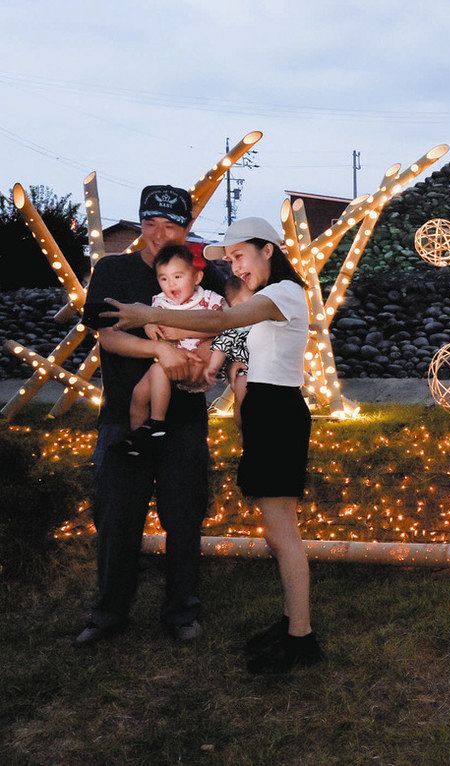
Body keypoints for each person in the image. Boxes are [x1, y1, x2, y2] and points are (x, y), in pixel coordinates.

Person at [104, 216, 323, 674]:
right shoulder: (268, 298)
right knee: (275, 531)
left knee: (283, 531)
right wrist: (222, 370)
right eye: (232, 260)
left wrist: (149, 314)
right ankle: (292, 621)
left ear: (268, 249)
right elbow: (236, 343)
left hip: (278, 414)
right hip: (265, 411)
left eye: (241, 256)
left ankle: (301, 637)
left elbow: (221, 319)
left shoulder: (284, 293)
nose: (236, 267)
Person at [74, 185, 225, 647]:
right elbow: (107, 335)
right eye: (150, 224)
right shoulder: (113, 270)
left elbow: (224, 328)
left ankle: (182, 611)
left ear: (187, 228)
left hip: (185, 418)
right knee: (117, 516)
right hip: (123, 415)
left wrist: (208, 364)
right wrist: (159, 349)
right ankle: (108, 612)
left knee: (184, 516)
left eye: (171, 226)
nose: (159, 235)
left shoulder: (204, 274)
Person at [121, 244, 224, 457]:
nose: (171, 284)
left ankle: (157, 422)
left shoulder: (208, 299)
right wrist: (149, 325)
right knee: (139, 394)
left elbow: (222, 325)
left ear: (197, 277)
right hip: (173, 362)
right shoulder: (160, 302)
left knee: (157, 370)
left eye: (178, 277)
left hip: (198, 364)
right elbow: (152, 325)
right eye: (164, 278)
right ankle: (138, 438)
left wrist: (181, 331)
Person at [204, 275, 253, 416]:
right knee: (242, 393)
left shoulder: (264, 320)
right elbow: (221, 347)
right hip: (243, 369)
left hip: (266, 366)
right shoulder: (234, 328)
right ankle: (245, 421)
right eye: (241, 305)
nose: (249, 309)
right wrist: (213, 368)